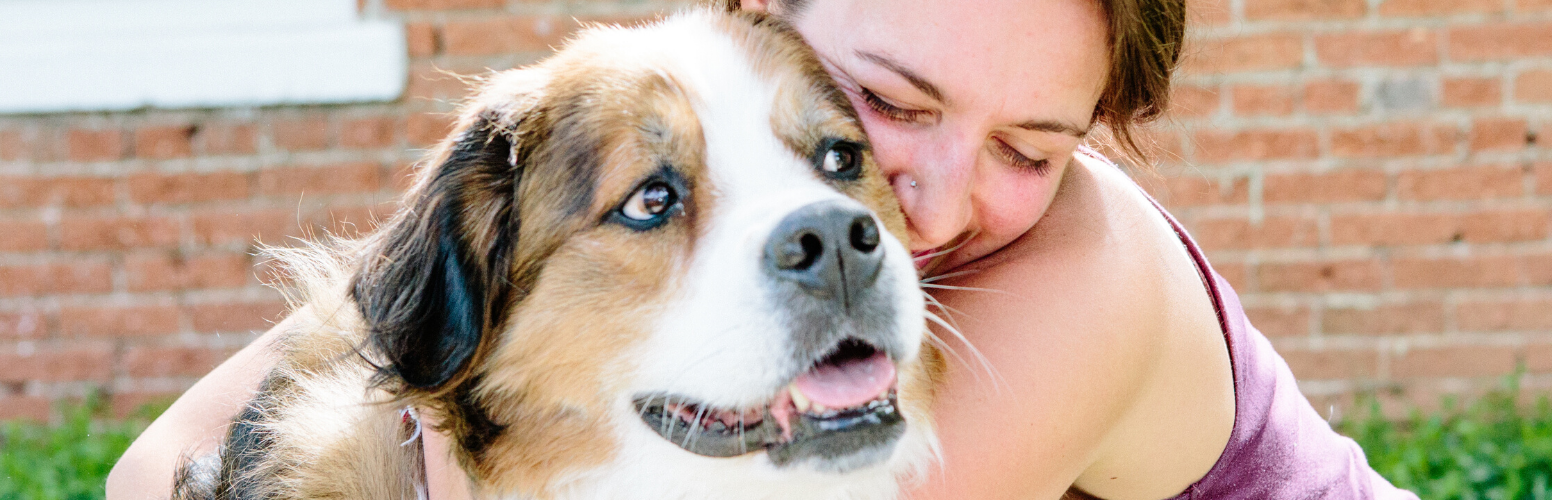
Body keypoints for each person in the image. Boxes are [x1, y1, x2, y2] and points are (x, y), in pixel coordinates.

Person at [107, 0, 1417, 497]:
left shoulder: (1083, 285)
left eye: (1033, 148)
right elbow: (161, 462)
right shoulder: (550, 171)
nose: (925, 204)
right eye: (888, 110)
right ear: (754, 19)